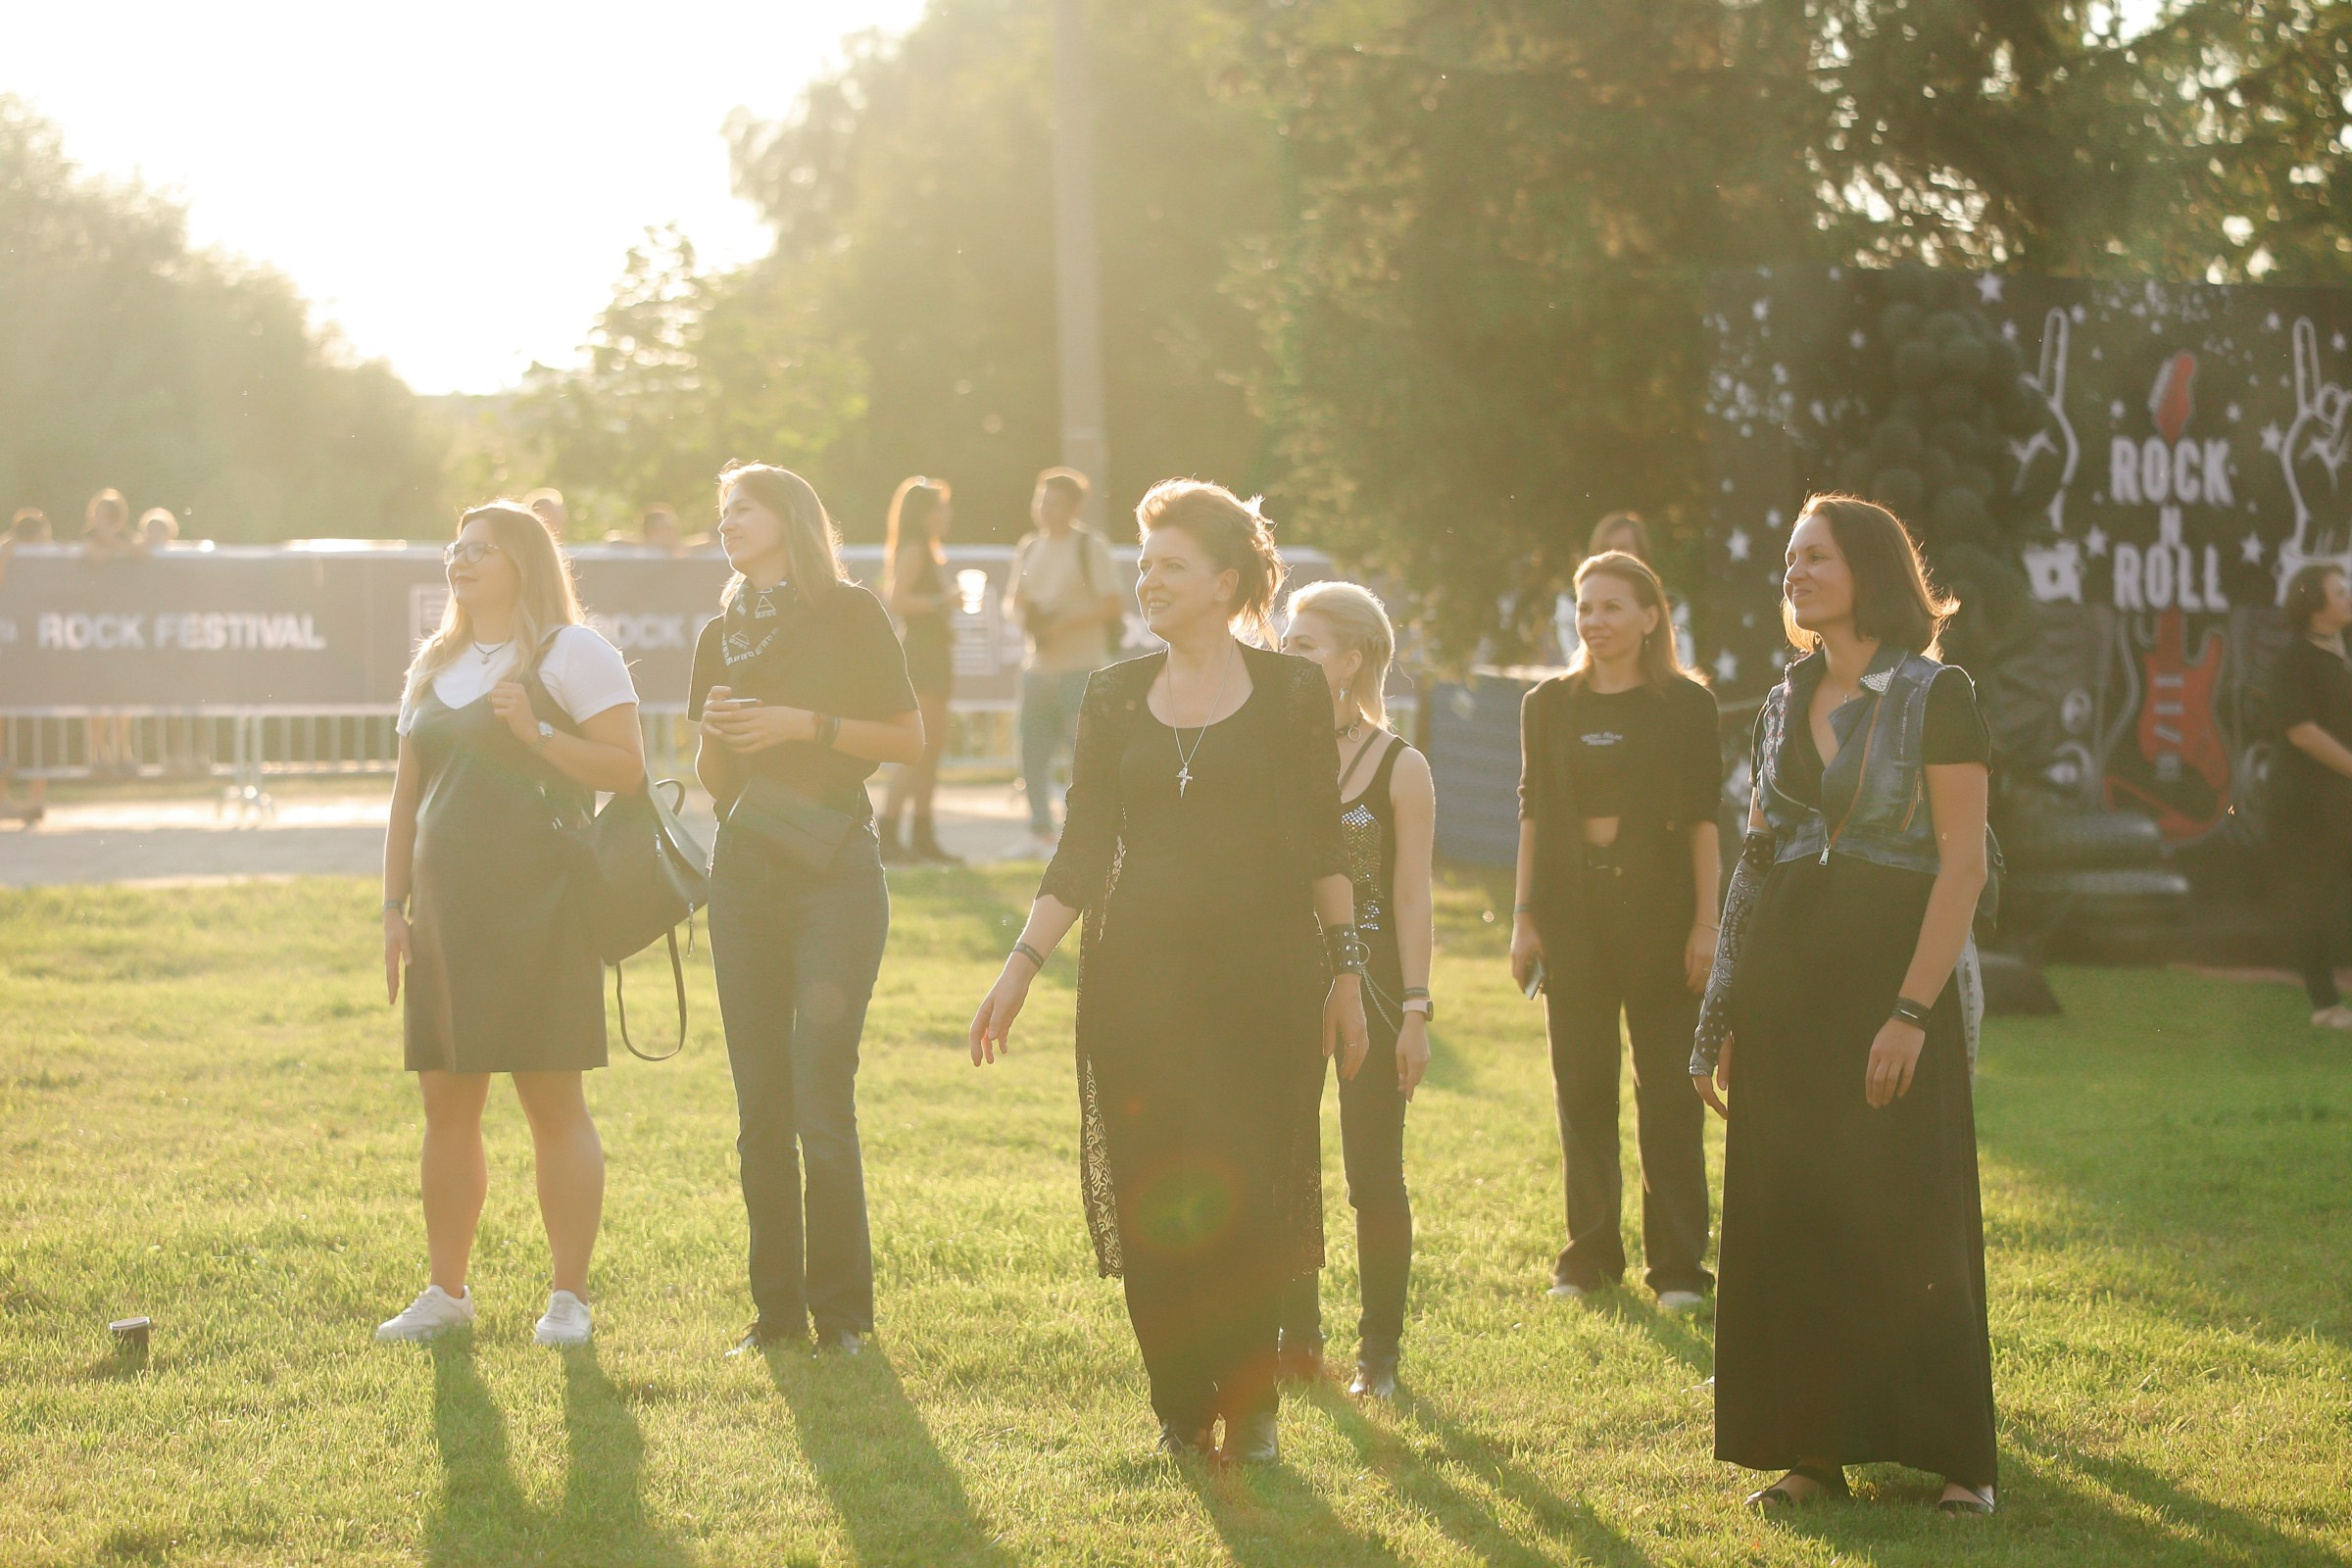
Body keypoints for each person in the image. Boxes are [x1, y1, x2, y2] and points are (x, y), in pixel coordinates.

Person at [966, 479, 1370, 1464]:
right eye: (1143, 564)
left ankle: (1253, 1406)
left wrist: (1347, 976)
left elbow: (1323, 845)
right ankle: (1181, 1409)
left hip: (1263, 983)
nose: (1149, 580)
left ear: (1225, 581)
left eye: (1171, 566)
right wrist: (1020, 966)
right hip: (1136, 985)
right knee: (1154, 1196)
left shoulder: (1291, 691)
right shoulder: (1112, 694)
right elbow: (1081, 849)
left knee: (1248, 1192)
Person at [1691, 494, 1997, 1516]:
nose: (1795, 572)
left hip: (1892, 979)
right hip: (1787, 989)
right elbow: (1755, 860)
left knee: (1911, 1215)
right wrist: (1722, 1016)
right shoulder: (1781, 701)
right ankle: (1811, 1452)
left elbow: (1962, 867)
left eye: (1815, 555)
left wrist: (1910, 1012)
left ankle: (1959, 1459)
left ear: (1869, 567)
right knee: (1794, 1217)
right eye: (1789, 558)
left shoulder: (1938, 694)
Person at [375, 502, 646, 1348]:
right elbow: (406, 798)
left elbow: (628, 771)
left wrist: (536, 734)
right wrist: (392, 908)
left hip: (544, 907)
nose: (459, 561)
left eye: (480, 550)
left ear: (523, 562)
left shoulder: (574, 652)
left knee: (552, 1100)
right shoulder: (434, 661)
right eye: (454, 548)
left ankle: (569, 1300)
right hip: (446, 916)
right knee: (445, 1104)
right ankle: (445, 1293)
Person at [689, 464, 925, 1356]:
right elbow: (715, 781)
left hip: (835, 874)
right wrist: (717, 732)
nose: (726, 523)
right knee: (760, 1108)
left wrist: (803, 724)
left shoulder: (850, 613)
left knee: (821, 1099)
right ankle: (777, 1316)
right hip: (744, 874)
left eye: (742, 509)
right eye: (722, 513)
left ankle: (844, 1318)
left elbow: (908, 739)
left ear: (790, 518)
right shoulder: (718, 633)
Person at [1510, 551, 1720, 1311]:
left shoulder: (1686, 706)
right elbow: (1532, 813)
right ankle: (1589, 1258)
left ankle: (1679, 1271)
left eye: (1611, 607)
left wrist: (1707, 923)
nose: (1594, 621)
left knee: (1668, 1095)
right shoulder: (1547, 704)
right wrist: (1524, 918)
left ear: (1650, 617)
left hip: (1663, 918)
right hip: (1571, 917)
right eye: (1585, 607)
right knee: (1583, 1090)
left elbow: (1704, 820)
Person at [1276, 581, 1435, 1398]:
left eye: (1303, 645)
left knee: (1373, 1174)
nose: (1286, 655)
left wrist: (1416, 1010)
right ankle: (1297, 1341)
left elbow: (1411, 896)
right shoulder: (1269, 751)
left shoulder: (1402, 767)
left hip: (1372, 982)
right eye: (1285, 642)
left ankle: (1380, 1356)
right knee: (1284, 1163)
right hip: (1279, 977)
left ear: (1351, 659)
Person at [1007, 468, 1124, 853]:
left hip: (1082, 667)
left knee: (1084, 757)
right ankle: (1039, 831)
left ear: (1075, 508)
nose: (1045, 509)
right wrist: (1031, 623)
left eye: (1055, 503)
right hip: (1038, 667)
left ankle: (1087, 834)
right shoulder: (1029, 546)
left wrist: (1064, 625)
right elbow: (1015, 602)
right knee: (1032, 754)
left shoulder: (1091, 547)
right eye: (1041, 500)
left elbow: (1113, 604)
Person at [2268, 563, 2352, 1029]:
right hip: (2307, 805)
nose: (2349, 598)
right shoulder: (2293, 662)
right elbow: (2302, 732)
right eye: (2339, 593)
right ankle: (2326, 1005)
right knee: (2314, 901)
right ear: (2315, 608)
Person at [879, 476, 956, 863]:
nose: (947, 515)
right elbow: (896, 600)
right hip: (922, 655)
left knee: (933, 747)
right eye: (941, 508)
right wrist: (941, 602)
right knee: (917, 748)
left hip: (936, 653)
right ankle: (889, 833)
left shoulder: (928, 550)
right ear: (925, 514)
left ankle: (924, 833)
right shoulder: (913, 549)